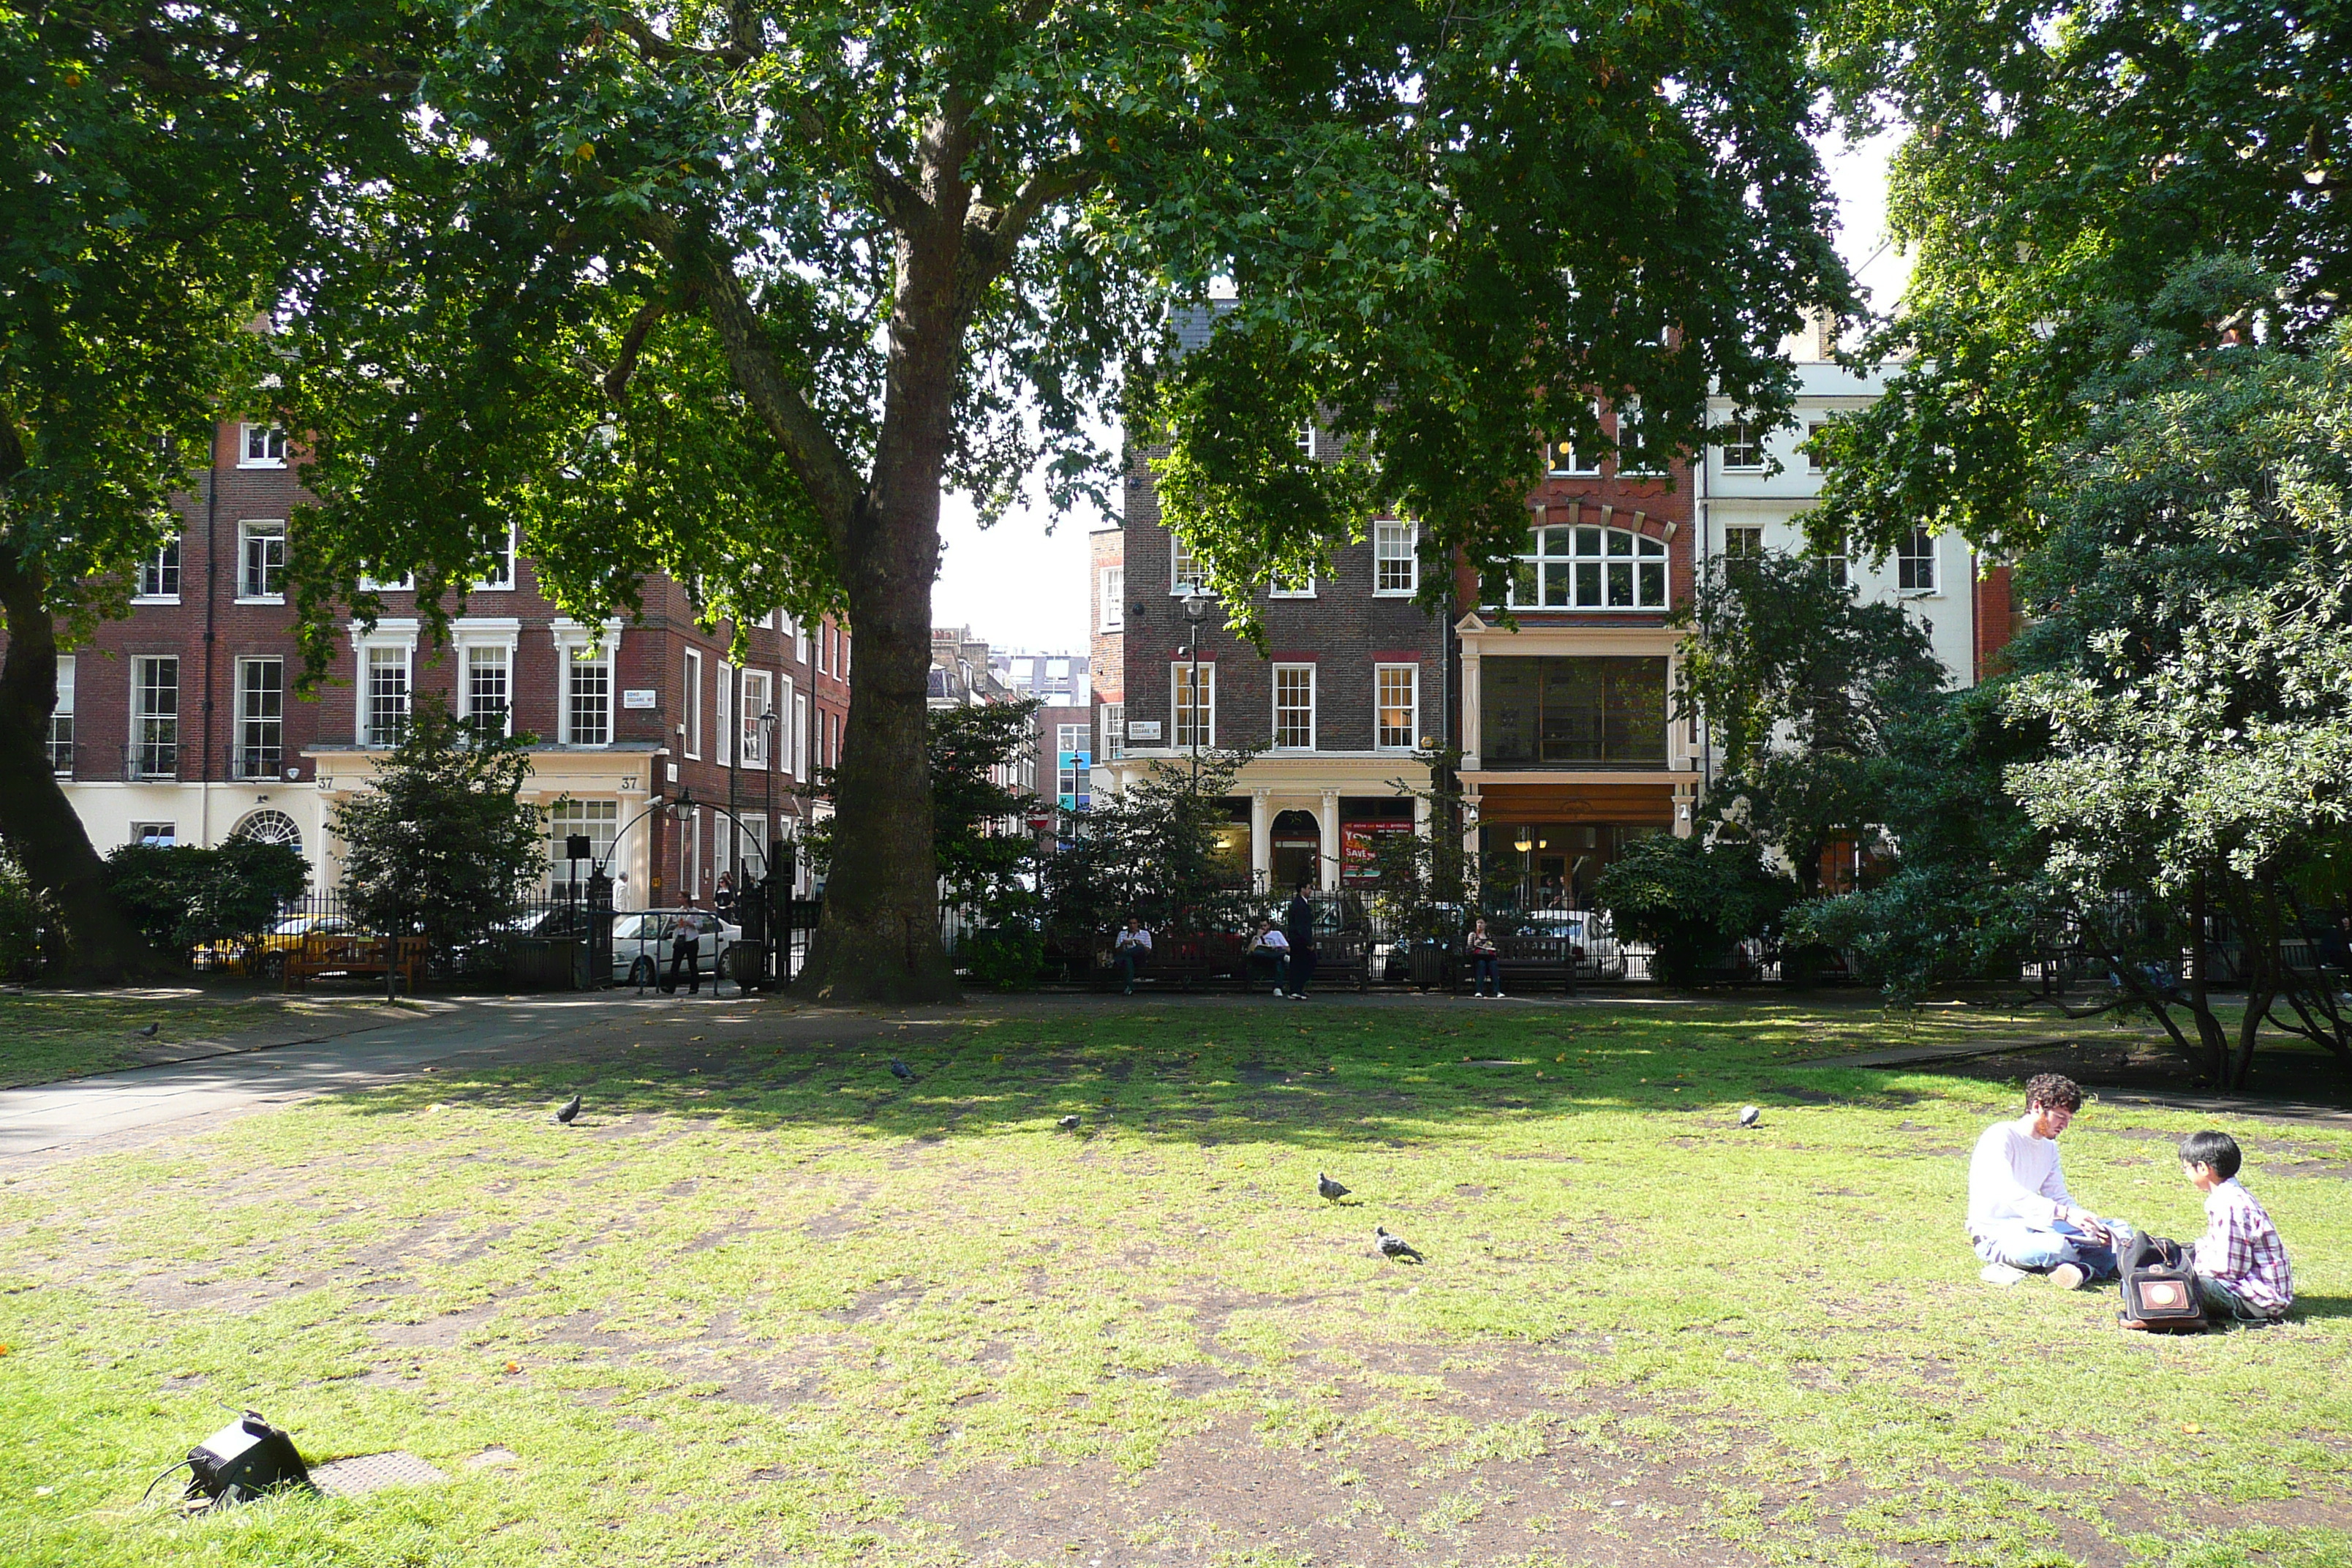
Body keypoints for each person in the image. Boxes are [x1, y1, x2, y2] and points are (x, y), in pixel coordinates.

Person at [1967, 1073, 2122, 1287]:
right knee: (2056, 1246)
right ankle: (2088, 1264)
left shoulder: (2049, 1147)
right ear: (2037, 1107)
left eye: (2068, 1119)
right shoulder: (2000, 1136)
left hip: (2038, 1227)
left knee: (2119, 1229)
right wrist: (2065, 1214)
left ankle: (2078, 1268)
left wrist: (2085, 1223)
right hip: (1997, 1235)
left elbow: (2057, 1195)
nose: (2064, 1125)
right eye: (2060, 1117)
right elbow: (2009, 1192)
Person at [2174, 1130, 2293, 1324]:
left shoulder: (2230, 1205)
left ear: (2203, 1168)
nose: (2185, 1172)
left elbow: (2229, 1270)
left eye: (2186, 1167)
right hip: (2247, 1286)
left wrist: (2194, 1270)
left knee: (2181, 1284)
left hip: (2259, 1300)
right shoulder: (2229, 1196)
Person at [1284, 883, 1316, 998]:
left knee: (1301, 965)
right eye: (1308, 888)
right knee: (1303, 964)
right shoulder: (1299, 905)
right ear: (1302, 889)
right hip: (1300, 941)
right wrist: (1308, 942)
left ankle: (1297, 989)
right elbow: (1301, 926)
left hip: (1298, 940)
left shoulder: (1300, 904)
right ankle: (1296, 989)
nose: (1310, 891)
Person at [1247, 917, 1291, 996]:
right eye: (1261, 926)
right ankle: (1282, 956)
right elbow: (1250, 952)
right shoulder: (1256, 938)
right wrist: (1257, 937)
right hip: (1263, 960)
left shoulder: (1277, 934)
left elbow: (1288, 948)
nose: (1263, 928)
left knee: (1278, 962)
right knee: (1257, 953)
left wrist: (1276, 947)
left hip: (1274, 959)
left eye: (1265, 926)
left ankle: (1277, 988)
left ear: (1269, 926)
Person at [663, 912, 703, 996]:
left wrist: (690, 924)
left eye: (681, 897)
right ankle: (671, 987)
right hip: (680, 939)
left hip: (691, 940)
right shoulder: (679, 911)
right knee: (675, 964)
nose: (679, 899)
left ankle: (694, 987)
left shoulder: (694, 911)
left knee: (692, 964)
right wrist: (677, 924)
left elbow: (700, 925)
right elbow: (675, 924)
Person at [1114, 916, 1152, 994]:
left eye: (1134, 923)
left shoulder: (1145, 934)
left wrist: (1141, 945)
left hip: (1140, 960)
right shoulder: (1122, 934)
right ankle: (1129, 988)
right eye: (1130, 923)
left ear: (1138, 924)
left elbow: (1148, 951)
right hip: (1127, 961)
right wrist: (1123, 944)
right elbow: (1117, 950)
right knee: (1128, 959)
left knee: (1140, 948)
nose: (1132, 925)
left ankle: (1117, 959)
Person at [1466, 916, 1501, 998]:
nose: (1480, 925)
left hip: (1489, 957)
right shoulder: (1473, 935)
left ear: (1485, 924)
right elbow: (1469, 949)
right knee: (1481, 964)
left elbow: (1496, 948)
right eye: (1478, 923)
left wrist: (1490, 948)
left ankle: (1497, 991)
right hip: (1478, 957)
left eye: (1482, 923)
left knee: (1493, 965)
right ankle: (1479, 991)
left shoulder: (1490, 935)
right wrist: (1475, 945)